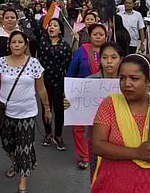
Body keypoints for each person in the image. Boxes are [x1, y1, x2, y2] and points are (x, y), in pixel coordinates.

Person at [91, 54, 150, 192]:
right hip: (113, 186)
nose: (127, 84)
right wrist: (136, 153)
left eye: (134, 78)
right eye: (122, 78)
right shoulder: (110, 104)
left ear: (148, 81)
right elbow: (97, 146)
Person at [0, 31, 51, 193]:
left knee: (24, 147)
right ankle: (17, 163)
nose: (17, 45)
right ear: (9, 45)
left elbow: (41, 88)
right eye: (14, 42)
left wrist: (47, 108)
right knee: (7, 144)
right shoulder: (1, 62)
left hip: (27, 113)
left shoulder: (34, 63)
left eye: (20, 42)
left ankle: (22, 181)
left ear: (25, 45)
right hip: (6, 112)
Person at [68, 24, 107, 169]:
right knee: (80, 127)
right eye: (95, 34)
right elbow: (72, 72)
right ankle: (84, 156)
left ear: (106, 36)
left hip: (104, 95)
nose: (98, 37)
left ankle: (100, 153)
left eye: (101, 34)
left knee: (100, 126)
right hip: (82, 94)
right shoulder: (81, 51)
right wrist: (69, 93)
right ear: (90, 36)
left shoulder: (110, 51)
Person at [86, 41, 125, 180]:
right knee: (97, 177)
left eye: (113, 57)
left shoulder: (128, 83)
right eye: (104, 57)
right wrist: (70, 104)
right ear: (99, 59)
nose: (109, 62)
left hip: (124, 140)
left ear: (121, 59)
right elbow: (80, 109)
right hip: (96, 138)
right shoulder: (88, 82)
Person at [37, 18, 72, 150]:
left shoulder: (65, 46)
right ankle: (47, 133)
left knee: (58, 110)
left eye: (55, 25)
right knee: (46, 108)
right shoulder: (42, 42)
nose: (51, 27)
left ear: (60, 30)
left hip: (59, 82)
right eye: (50, 25)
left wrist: (67, 85)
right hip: (44, 82)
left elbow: (69, 66)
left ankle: (58, 135)